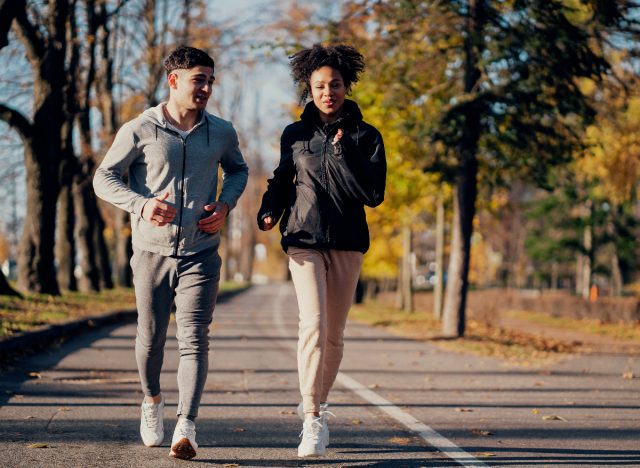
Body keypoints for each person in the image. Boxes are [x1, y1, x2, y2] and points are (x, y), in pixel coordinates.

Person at [93, 45, 248, 460]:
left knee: (195, 338)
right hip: (150, 251)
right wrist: (141, 205)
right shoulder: (139, 129)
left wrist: (226, 203)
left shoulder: (222, 131)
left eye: (211, 80)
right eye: (199, 79)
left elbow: (238, 170)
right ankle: (152, 401)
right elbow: (103, 178)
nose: (207, 88)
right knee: (151, 335)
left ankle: (186, 425)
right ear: (174, 80)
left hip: (201, 251)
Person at [257, 43, 386, 458]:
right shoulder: (295, 134)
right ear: (308, 89)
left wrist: (344, 149)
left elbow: (373, 193)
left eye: (334, 84)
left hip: (348, 241)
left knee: (334, 335)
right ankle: (311, 418)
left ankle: (320, 405)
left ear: (347, 87)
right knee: (312, 324)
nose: (327, 91)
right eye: (318, 85)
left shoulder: (367, 136)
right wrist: (269, 208)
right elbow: (282, 179)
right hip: (304, 239)